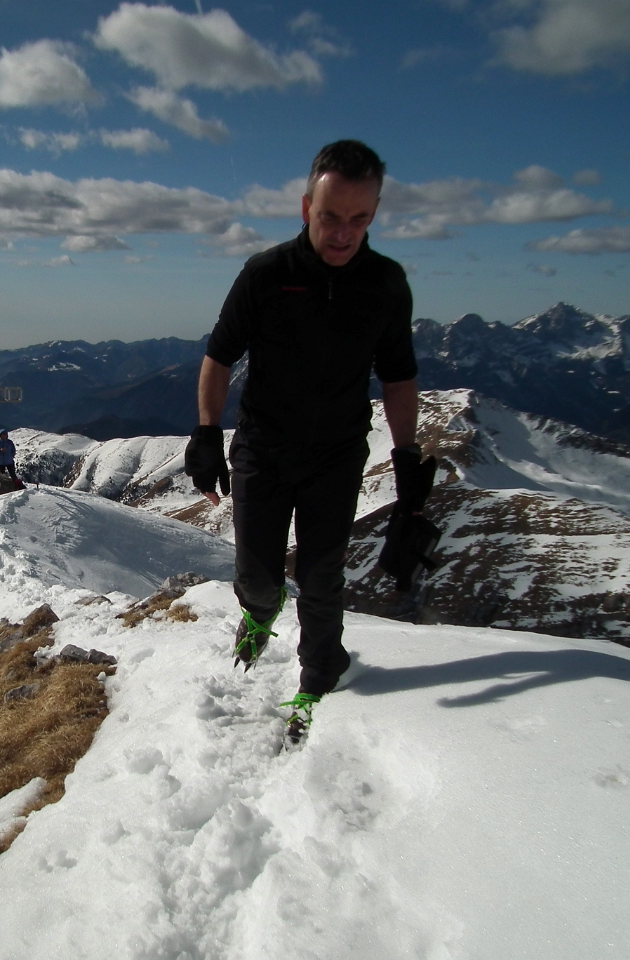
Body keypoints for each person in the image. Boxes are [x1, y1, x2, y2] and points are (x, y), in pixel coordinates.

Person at [184, 139, 436, 742]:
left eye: (359, 218)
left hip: (337, 455)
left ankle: (320, 676)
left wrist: (405, 466)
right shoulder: (267, 275)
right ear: (305, 208)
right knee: (261, 576)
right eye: (330, 216)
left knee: (323, 578)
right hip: (263, 449)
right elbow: (219, 356)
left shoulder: (385, 284)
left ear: (374, 213)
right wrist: (205, 432)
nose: (344, 233)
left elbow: (399, 380)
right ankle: (259, 613)